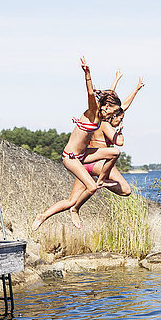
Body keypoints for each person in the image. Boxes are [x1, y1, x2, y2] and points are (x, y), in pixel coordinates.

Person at [31, 57, 122, 231]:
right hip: (71, 157)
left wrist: (116, 80)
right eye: (114, 110)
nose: (114, 114)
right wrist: (87, 73)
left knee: (114, 153)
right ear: (107, 106)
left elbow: (109, 96)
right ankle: (54, 213)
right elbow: (90, 92)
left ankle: (101, 180)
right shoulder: (92, 111)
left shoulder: (102, 115)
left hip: (84, 154)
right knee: (89, 188)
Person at [70, 72, 145, 224]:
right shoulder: (106, 125)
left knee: (71, 201)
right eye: (119, 117)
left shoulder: (97, 119)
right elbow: (119, 107)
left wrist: (133, 87)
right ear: (111, 112)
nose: (120, 118)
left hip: (84, 162)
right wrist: (120, 131)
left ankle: (56, 213)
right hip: (100, 163)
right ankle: (102, 182)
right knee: (126, 190)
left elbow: (114, 102)